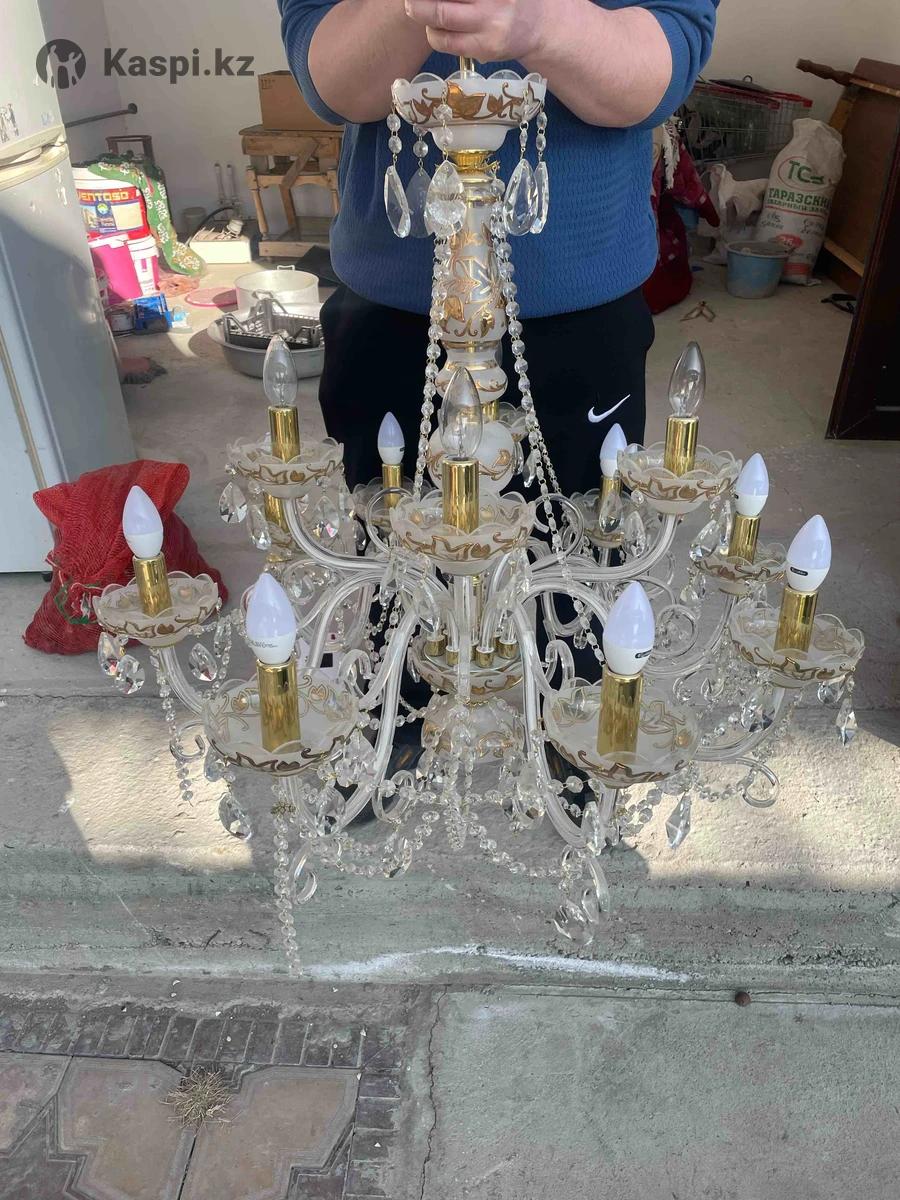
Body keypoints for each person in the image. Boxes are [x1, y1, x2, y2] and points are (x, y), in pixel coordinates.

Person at [278, 0, 718, 494]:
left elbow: (669, 48)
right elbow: (325, 67)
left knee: (583, 533)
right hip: (390, 309)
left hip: (579, 308)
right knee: (386, 526)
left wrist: (538, 21)